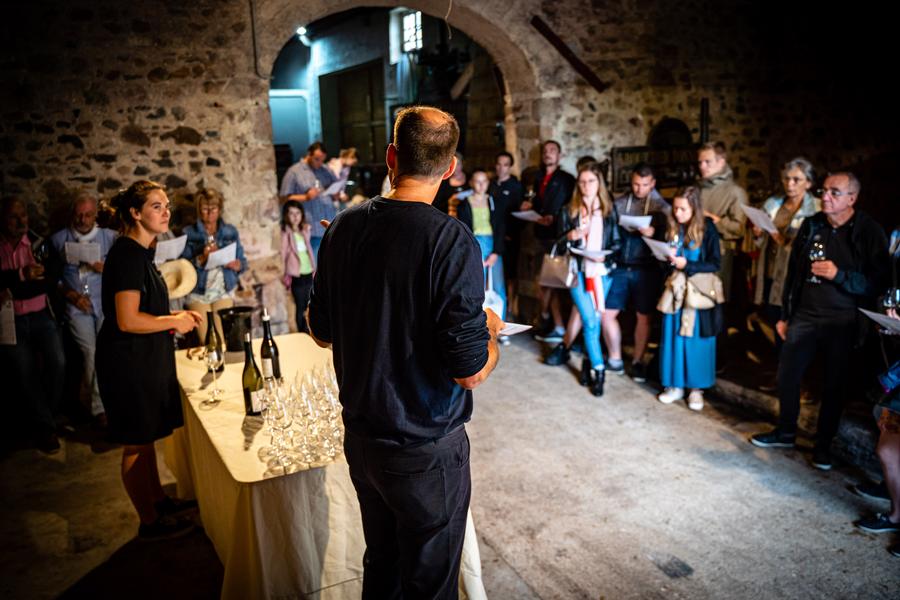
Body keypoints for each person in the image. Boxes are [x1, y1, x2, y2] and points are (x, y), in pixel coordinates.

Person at [307, 106, 502, 599]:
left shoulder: (343, 228)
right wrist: (492, 332)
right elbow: (470, 371)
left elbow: (320, 331)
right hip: (424, 446)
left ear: (391, 156)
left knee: (385, 565)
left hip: (364, 439)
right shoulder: (449, 239)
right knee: (429, 585)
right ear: (451, 166)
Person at [750, 172, 890, 470]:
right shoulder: (812, 225)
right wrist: (786, 315)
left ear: (852, 198)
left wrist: (838, 275)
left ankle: (822, 447)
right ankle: (786, 432)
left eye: (834, 192)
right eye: (824, 191)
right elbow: (794, 274)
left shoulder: (869, 231)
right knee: (787, 374)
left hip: (843, 320)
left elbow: (877, 283)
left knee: (834, 385)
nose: (825, 197)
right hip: (805, 314)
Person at [96, 181, 202, 540]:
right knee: (135, 443)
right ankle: (148, 521)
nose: (166, 211)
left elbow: (144, 310)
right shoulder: (126, 254)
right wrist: (175, 320)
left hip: (143, 359)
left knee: (146, 440)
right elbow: (127, 319)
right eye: (157, 206)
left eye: (166, 205)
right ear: (135, 213)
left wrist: (175, 317)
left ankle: (158, 500)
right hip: (127, 363)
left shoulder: (141, 253)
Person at [545, 162, 621, 396]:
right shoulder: (570, 209)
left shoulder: (608, 210)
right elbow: (557, 242)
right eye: (583, 181)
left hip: (602, 273)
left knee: (595, 321)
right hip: (578, 272)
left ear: (599, 183)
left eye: (591, 181)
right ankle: (600, 370)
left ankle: (589, 361)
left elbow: (617, 242)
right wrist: (571, 235)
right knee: (589, 321)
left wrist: (605, 258)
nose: (586, 186)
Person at [0, 196, 65, 453]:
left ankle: (44, 419)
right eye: (14, 217)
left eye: (24, 216)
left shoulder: (39, 243)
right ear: (3, 220)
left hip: (41, 314)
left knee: (58, 363)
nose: (21, 222)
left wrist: (11, 286)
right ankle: (47, 427)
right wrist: (21, 276)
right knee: (24, 369)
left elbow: (52, 277)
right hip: (10, 320)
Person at [50, 192, 118, 425]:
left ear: (95, 216)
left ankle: (101, 402)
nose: (82, 220)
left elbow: (124, 266)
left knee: (107, 350)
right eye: (78, 215)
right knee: (91, 352)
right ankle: (99, 409)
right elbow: (50, 278)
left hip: (103, 302)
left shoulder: (109, 237)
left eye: (88, 215)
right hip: (77, 306)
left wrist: (105, 268)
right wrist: (70, 294)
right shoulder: (59, 239)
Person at [602, 163, 671, 380]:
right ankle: (615, 358)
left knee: (644, 316)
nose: (639, 189)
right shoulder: (621, 202)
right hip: (621, 265)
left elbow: (671, 238)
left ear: (653, 184)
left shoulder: (663, 207)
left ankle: (638, 361)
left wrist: (655, 232)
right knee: (607, 314)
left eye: (644, 185)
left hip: (647, 268)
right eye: (635, 184)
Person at [657, 186, 721, 411]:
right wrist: (666, 259)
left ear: (694, 208)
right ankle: (675, 385)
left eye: (683, 209)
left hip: (698, 293)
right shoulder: (672, 227)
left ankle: (696, 389)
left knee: (696, 341)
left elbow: (715, 263)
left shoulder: (708, 228)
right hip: (675, 290)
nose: (678, 213)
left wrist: (689, 265)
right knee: (674, 336)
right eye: (675, 208)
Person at [751, 158, 820, 358]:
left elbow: (810, 245)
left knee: (794, 324)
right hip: (772, 271)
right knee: (775, 319)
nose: (790, 184)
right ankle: (781, 372)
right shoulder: (773, 204)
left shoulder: (815, 208)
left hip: (794, 275)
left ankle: (797, 377)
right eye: (787, 179)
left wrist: (783, 240)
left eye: (797, 180)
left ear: (808, 183)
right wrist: (758, 234)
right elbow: (761, 242)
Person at [180, 188, 247, 343]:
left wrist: (237, 265)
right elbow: (182, 267)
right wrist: (201, 258)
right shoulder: (189, 233)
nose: (209, 213)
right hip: (198, 291)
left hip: (223, 289)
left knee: (223, 340)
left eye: (213, 209)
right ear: (198, 210)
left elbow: (243, 262)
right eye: (205, 209)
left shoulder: (230, 231)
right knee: (208, 341)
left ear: (220, 210)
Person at [526, 140, 576, 343]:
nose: (548, 154)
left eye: (552, 151)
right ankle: (556, 325)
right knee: (546, 283)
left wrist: (555, 218)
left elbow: (570, 206)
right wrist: (529, 208)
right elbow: (536, 202)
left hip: (557, 237)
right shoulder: (537, 178)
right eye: (545, 151)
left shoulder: (566, 179)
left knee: (551, 284)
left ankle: (547, 318)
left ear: (560, 155)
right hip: (540, 235)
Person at [449, 168, 508, 322]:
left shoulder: (494, 201)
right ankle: (478, 326)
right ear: (471, 183)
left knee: (498, 285)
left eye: (484, 181)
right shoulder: (464, 204)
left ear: (488, 183)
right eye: (477, 181)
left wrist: (496, 252)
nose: (481, 185)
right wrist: (472, 254)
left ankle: (499, 325)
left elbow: (501, 228)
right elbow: (464, 231)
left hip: (492, 243)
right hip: (474, 244)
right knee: (475, 286)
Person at [697, 141, 747, 300]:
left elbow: (739, 229)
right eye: (700, 162)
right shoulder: (697, 188)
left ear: (721, 162)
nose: (702, 166)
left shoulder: (735, 192)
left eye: (707, 162)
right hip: (695, 248)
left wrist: (715, 221)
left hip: (719, 252)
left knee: (715, 298)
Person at [280, 142, 341, 257]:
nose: (319, 163)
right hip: (310, 229)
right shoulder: (294, 172)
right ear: (309, 154)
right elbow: (284, 198)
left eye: (322, 160)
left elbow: (336, 188)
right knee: (314, 268)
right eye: (316, 159)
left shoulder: (325, 170)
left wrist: (336, 194)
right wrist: (306, 197)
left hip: (329, 226)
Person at [490, 151, 524, 319]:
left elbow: (520, 213)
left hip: (509, 237)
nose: (501, 168)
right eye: (498, 164)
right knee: (496, 273)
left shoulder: (516, 186)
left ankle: (511, 308)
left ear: (510, 167)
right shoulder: (491, 185)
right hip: (493, 236)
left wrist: (511, 233)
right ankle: (495, 308)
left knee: (510, 274)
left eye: (505, 164)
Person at [280, 200, 316, 333]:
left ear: (302, 215)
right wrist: (284, 275)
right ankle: (302, 332)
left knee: (310, 305)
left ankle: (311, 331)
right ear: (286, 216)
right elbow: (283, 254)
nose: (295, 216)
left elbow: (308, 251)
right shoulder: (286, 233)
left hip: (309, 273)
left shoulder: (303, 231)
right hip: (297, 276)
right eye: (291, 213)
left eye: (298, 213)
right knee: (300, 306)